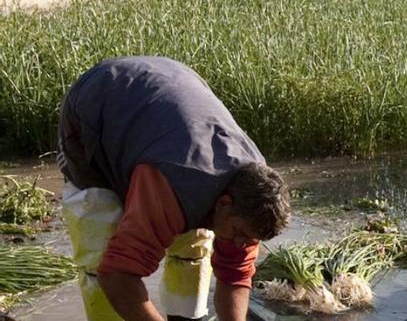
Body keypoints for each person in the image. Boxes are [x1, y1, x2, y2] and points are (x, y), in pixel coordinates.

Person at [57, 56, 290, 321]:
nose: (241, 244)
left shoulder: (250, 204)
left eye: (249, 239)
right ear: (224, 203)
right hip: (102, 100)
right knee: (100, 244)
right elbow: (117, 275)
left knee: (193, 247)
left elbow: (235, 275)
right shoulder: (168, 188)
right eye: (239, 234)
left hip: (172, 107)